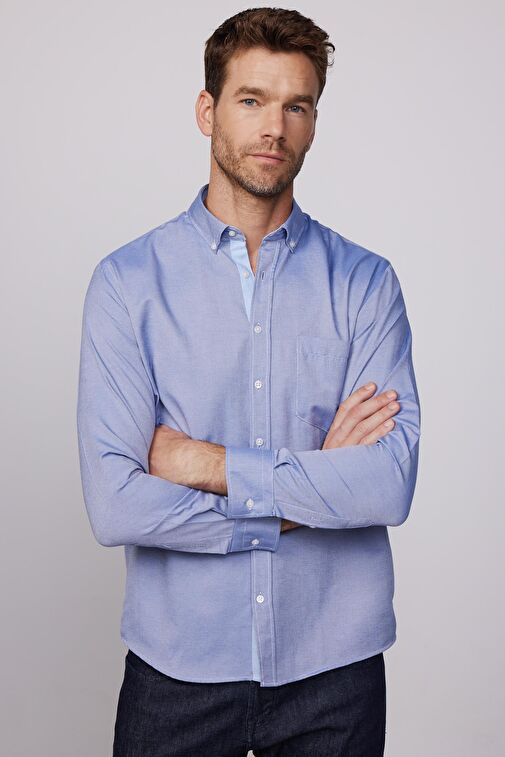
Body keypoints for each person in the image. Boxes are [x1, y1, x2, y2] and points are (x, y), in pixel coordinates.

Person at [76, 7, 421, 756]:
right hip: (177, 665)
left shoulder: (366, 284)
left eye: (297, 106)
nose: (274, 128)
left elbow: (385, 485)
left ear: (314, 123)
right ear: (207, 111)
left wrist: (204, 463)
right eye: (251, 100)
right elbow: (117, 503)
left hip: (334, 667)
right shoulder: (127, 284)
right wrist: (304, 496)